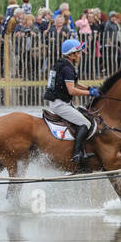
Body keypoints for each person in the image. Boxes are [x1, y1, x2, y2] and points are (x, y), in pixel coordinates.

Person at [43, 38, 100, 167]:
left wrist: (88, 88)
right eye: (78, 52)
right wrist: (89, 93)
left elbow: (73, 82)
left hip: (60, 102)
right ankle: (77, 154)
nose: (80, 55)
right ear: (71, 54)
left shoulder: (62, 64)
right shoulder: (67, 68)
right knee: (85, 123)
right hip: (60, 104)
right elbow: (72, 90)